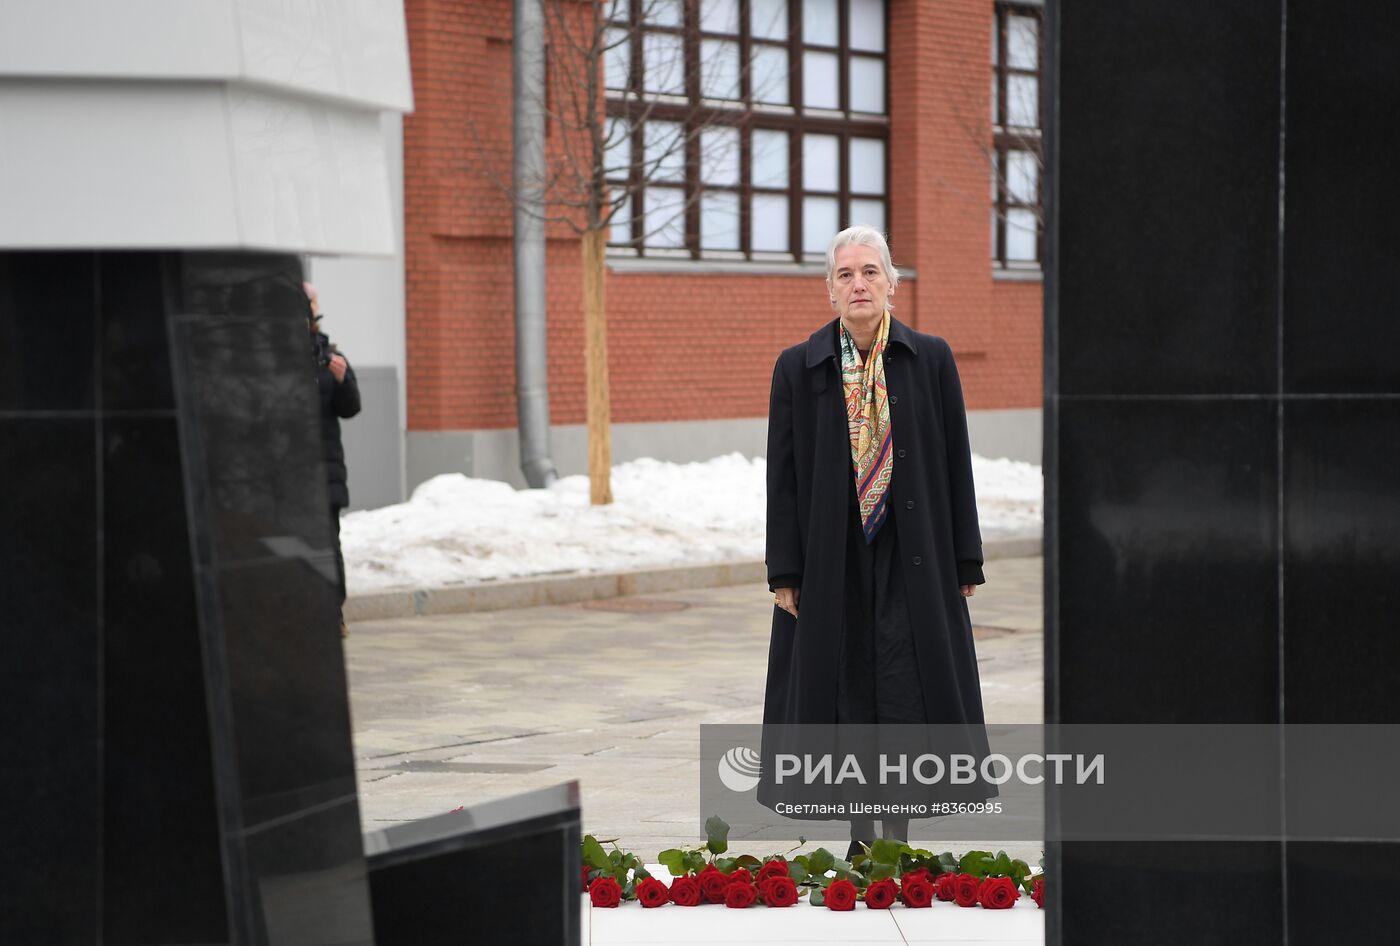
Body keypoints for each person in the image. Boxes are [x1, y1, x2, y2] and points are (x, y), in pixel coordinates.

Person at [761, 225, 991, 859]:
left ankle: (901, 836)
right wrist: (786, 569)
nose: (857, 284)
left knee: (906, 689)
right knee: (846, 692)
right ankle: (863, 840)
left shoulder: (931, 359)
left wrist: (965, 557)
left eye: (869, 272)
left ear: (891, 284)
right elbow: (783, 477)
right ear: (830, 291)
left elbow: (957, 463)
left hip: (912, 556)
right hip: (833, 561)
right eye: (845, 274)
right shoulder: (797, 368)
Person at [305, 282, 361, 637]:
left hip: (325, 469)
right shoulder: (275, 353)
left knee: (328, 543)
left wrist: (343, 382)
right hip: (291, 471)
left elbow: (351, 408)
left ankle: (332, 612)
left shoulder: (331, 355)